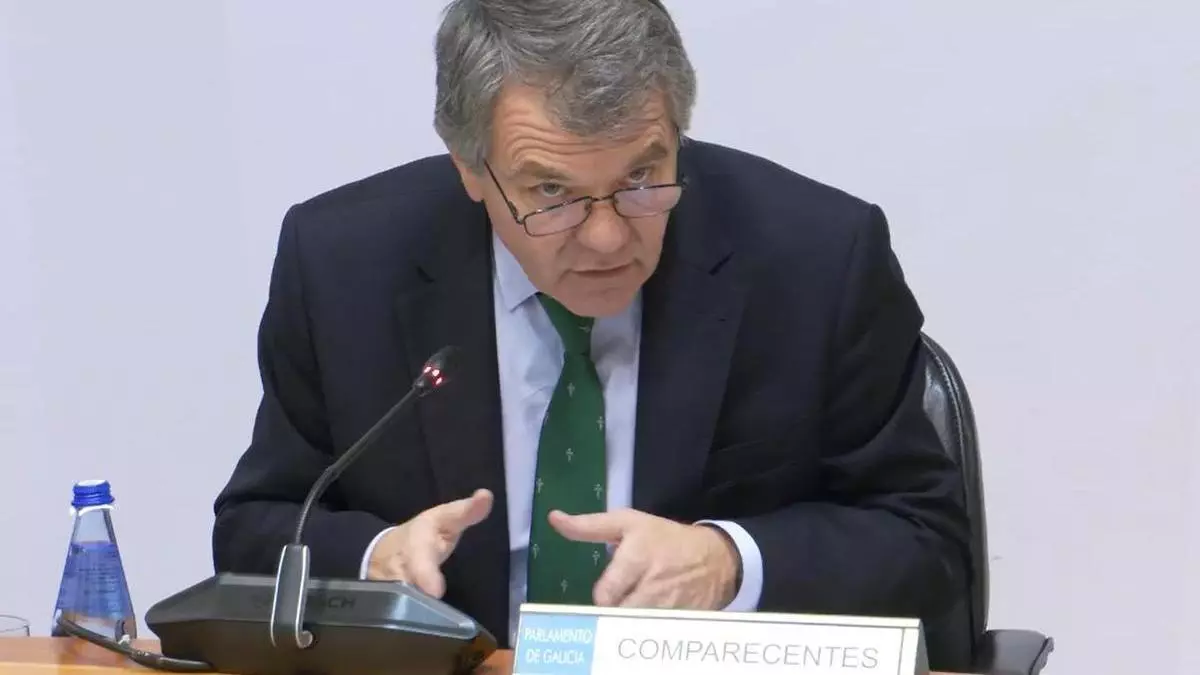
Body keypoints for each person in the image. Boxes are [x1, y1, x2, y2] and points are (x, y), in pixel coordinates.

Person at [212, 0, 971, 662]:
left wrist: (728, 562)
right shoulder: (344, 267)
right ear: (470, 170)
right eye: (552, 191)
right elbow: (256, 529)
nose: (607, 238)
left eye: (641, 177)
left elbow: (928, 541)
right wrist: (374, 559)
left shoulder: (816, 259)